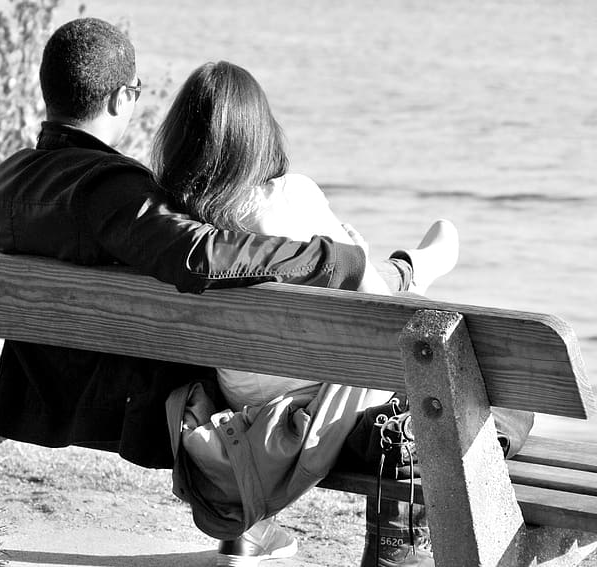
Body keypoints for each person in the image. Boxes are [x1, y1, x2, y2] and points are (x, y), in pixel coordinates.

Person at [0, 18, 405, 567]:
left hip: (38, 386)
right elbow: (202, 254)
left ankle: (249, 534)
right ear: (119, 99)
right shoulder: (114, 190)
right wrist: (337, 260)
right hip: (121, 402)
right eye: (135, 94)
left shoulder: (10, 178)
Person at [152, 61, 459, 566]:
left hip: (237, 399)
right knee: (493, 398)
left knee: (355, 274)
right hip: (322, 405)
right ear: (260, 134)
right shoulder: (290, 197)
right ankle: (415, 267)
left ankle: (413, 266)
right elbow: (380, 311)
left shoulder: (171, 223)